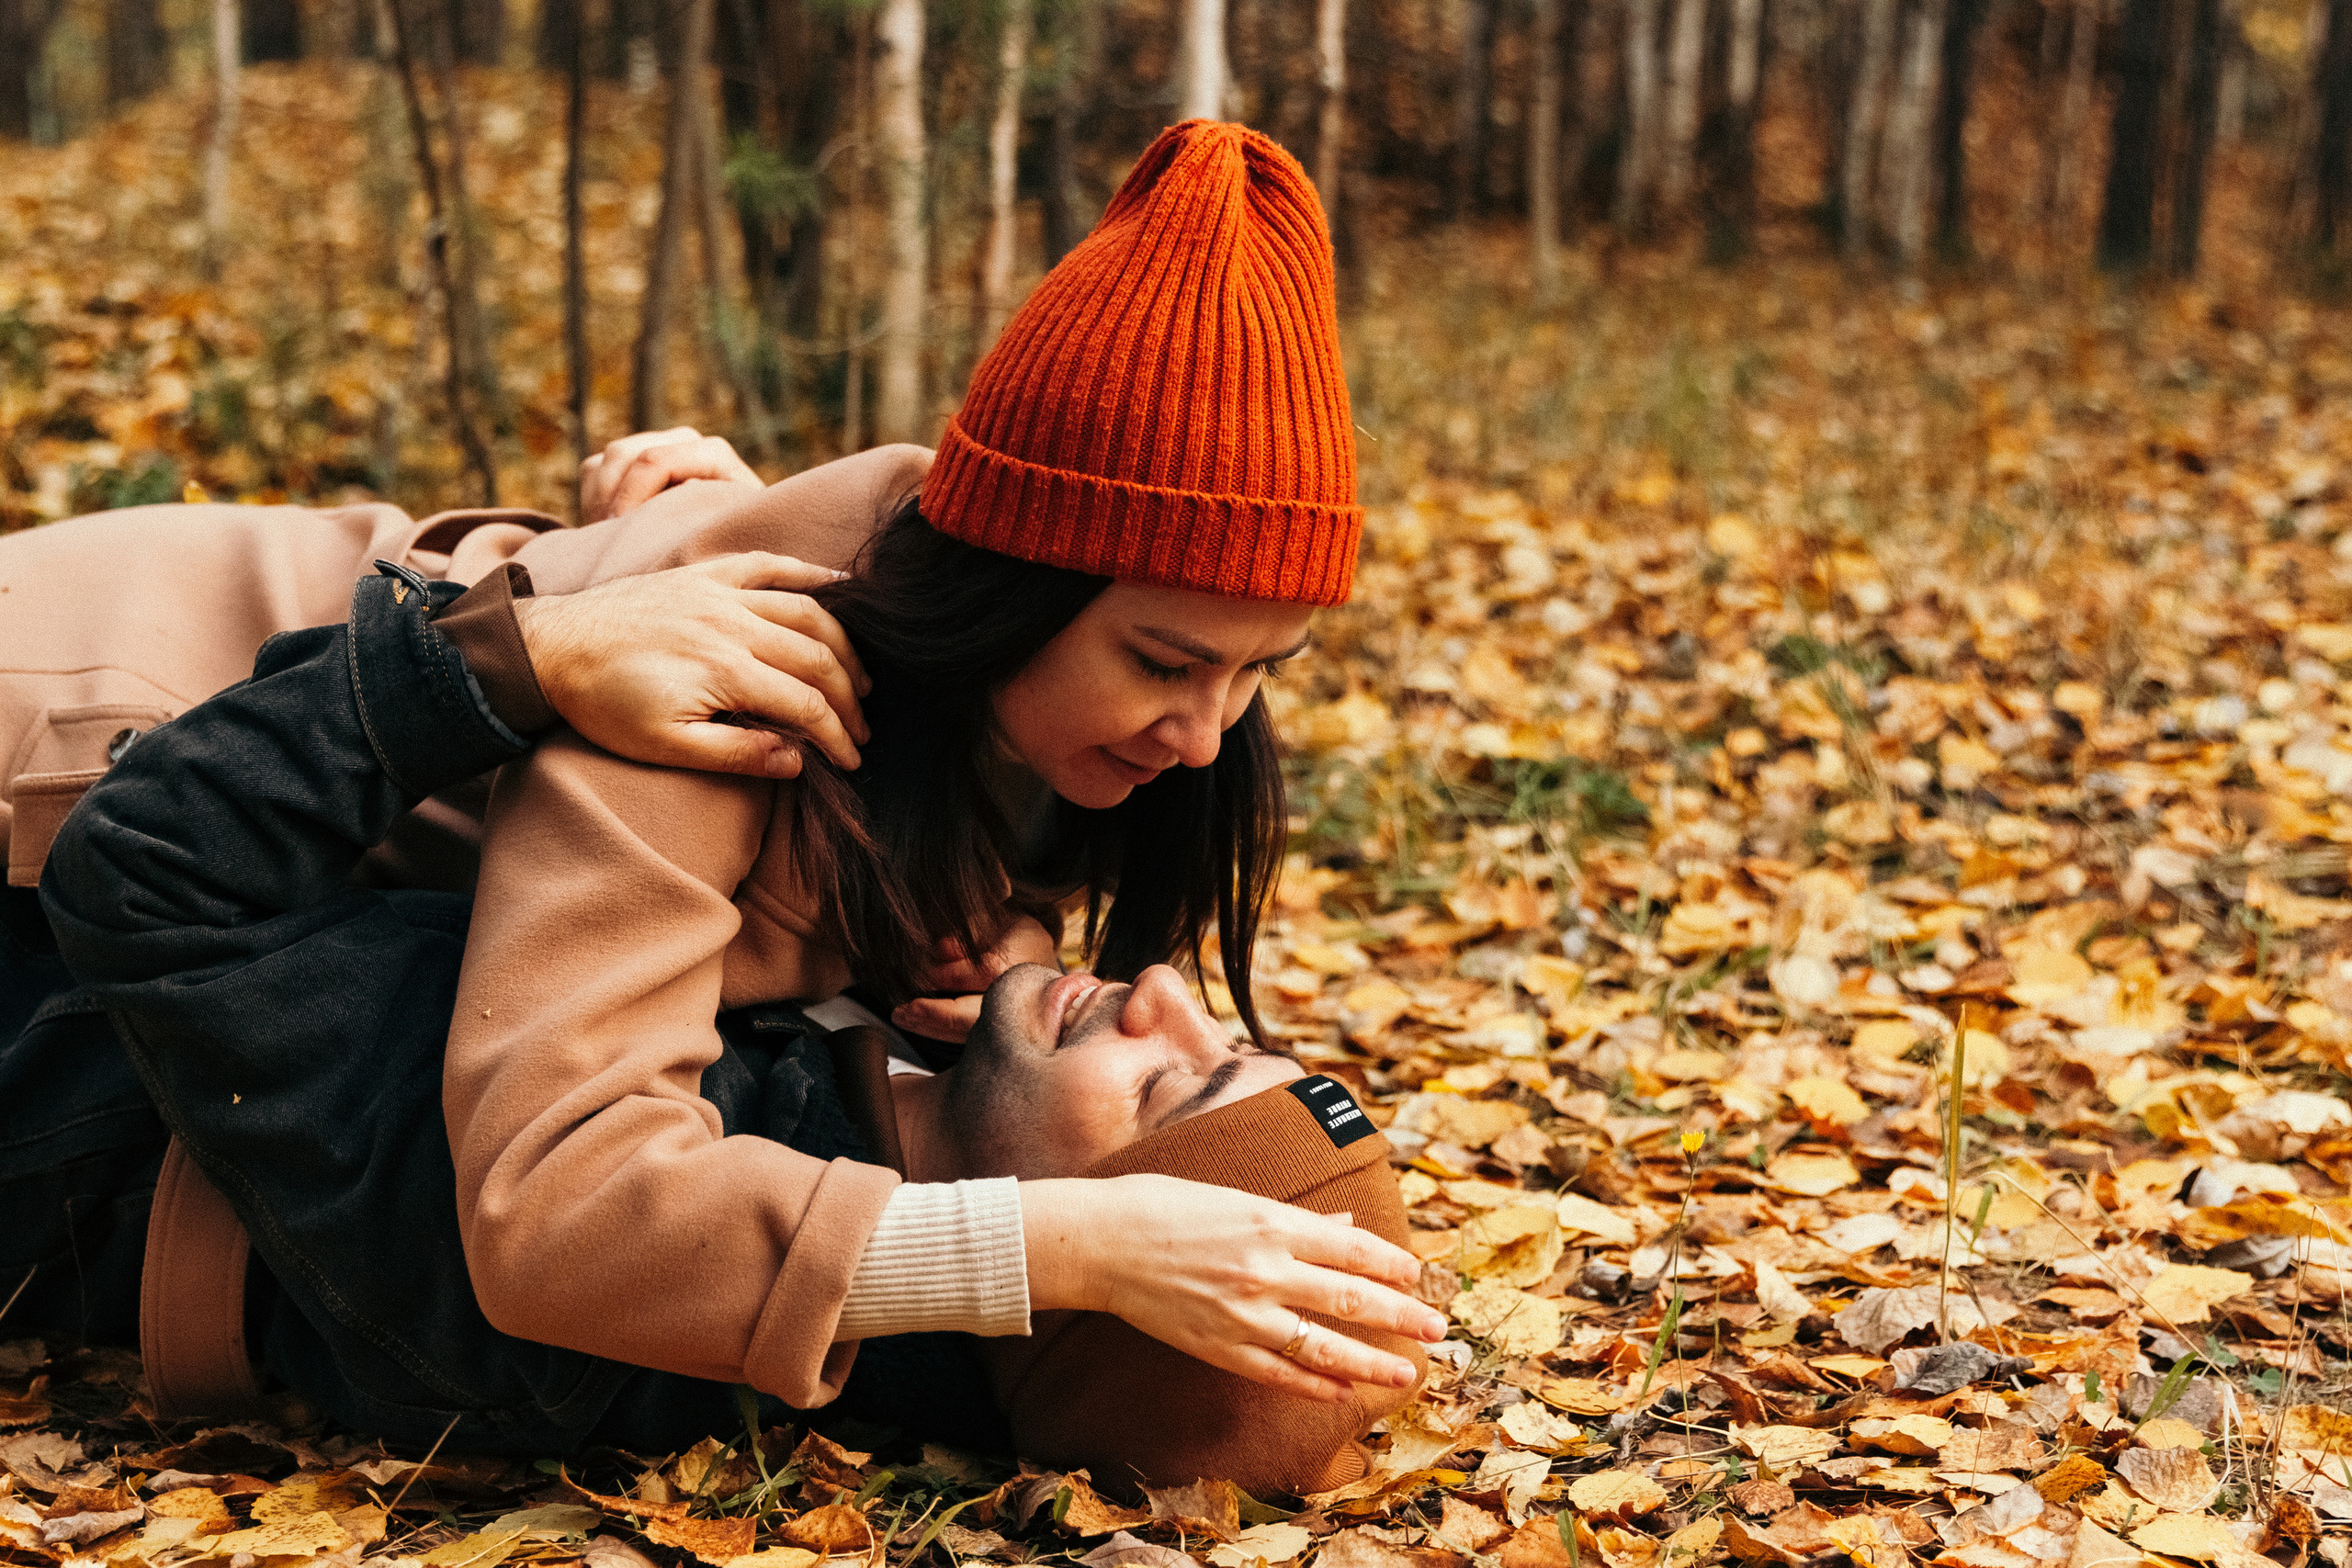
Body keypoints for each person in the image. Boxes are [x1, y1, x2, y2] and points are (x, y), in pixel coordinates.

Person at [9, 118, 1436, 1457]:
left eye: (1260, 673)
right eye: (1165, 662)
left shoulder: (1019, 751)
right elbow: (549, 1197)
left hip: (227, 872)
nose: (1206, 735)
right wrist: (586, 619)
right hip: (82, 732)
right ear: (1008, 593)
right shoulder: (747, 689)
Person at [35, 561, 1426, 1493]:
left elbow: (155, 871)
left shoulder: (599, 1321)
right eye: (1233, 1041)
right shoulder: (913, 1067)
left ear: (1060, 1280)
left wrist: (511, 665)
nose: (1166, 994)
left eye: (1162, 1093)